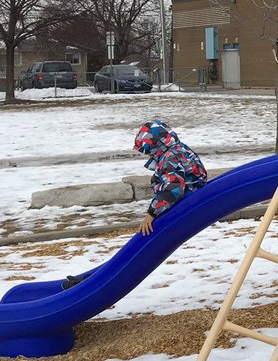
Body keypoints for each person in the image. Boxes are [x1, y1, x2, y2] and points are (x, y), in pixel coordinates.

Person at [63, 121, 208, 289]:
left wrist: (151, 213)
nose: (147, 155)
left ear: (155, 145)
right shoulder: (179, 150)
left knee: (142, 244)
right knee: (137, 246)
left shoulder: (170, 157)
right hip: (186, 204)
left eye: (147, 150)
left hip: (180, 208)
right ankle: (92, 277)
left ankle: (95, 283)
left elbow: (173, 189)